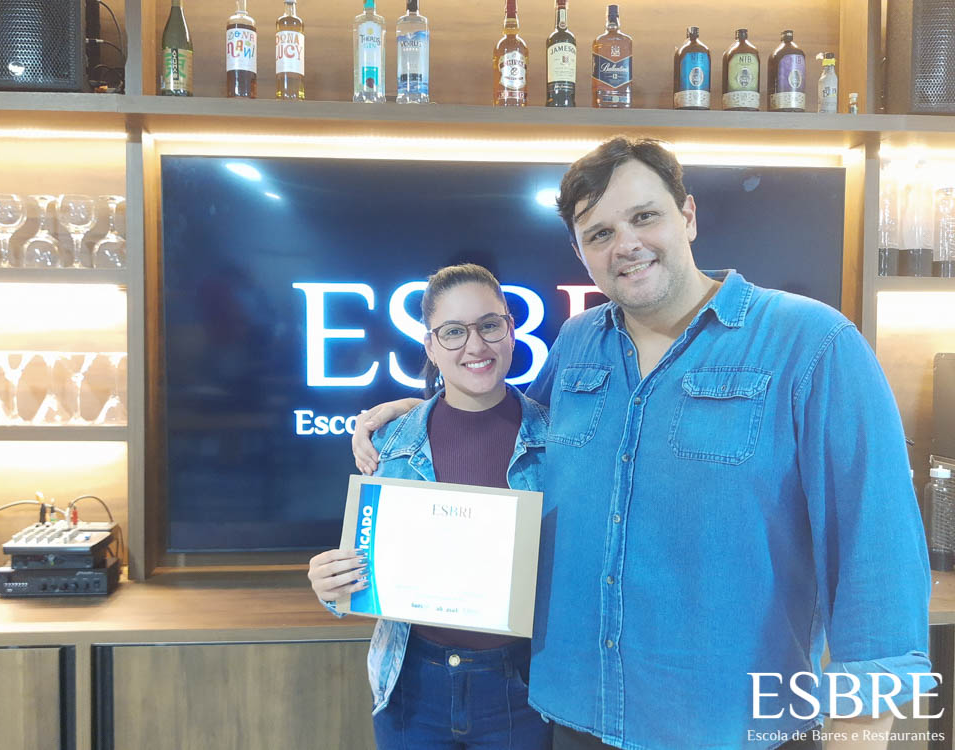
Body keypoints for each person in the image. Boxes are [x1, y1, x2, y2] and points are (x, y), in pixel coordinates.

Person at [351, 137, 933, 750]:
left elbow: (876, 558)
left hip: (730, 732)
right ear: (580, 252)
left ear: (688, 215)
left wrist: (859, 732)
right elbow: (511, 434)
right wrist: (419, 412)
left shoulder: (811, 343)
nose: (625, 244)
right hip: (572, 718)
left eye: (644, 216)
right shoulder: (577, 343)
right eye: (599, 233)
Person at [308, 263, 553, 750]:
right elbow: (364, 566)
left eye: (489, 325)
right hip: (411, 684)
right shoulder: (391, 442)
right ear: (431, 347)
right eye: (454, 332)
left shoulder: (560, 441)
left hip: (523, 687)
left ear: (511, 330)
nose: (476, 345)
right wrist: (331, 584)